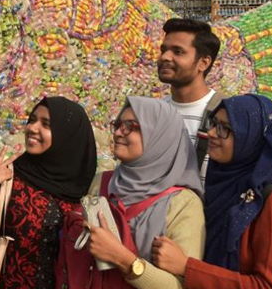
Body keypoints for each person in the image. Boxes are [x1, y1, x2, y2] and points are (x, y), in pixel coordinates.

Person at [152, 94, 272, 288]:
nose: (211, 133)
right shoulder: (227, 186)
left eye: (225, 129)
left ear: (252, 139)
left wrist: (187, 268)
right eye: (213, 123)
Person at [0, 96, 96, 289]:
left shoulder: (84, 193)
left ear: (68, 135)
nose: (32, 128)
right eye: (32, 120)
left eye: (46, 124)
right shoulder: (8, 178)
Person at [81, 97, 204, 288]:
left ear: (160, 138)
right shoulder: (103, 182)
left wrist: (123, 259)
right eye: (119, 124)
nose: (119, 133)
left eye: (132, 126)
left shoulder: (183, 204)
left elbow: (182, 285)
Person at [159, 19, 222, 185]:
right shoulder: (156, 113)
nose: (165, 57)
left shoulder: (223, 116)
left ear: (203, 63)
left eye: (178, 52)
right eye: (163, 50)